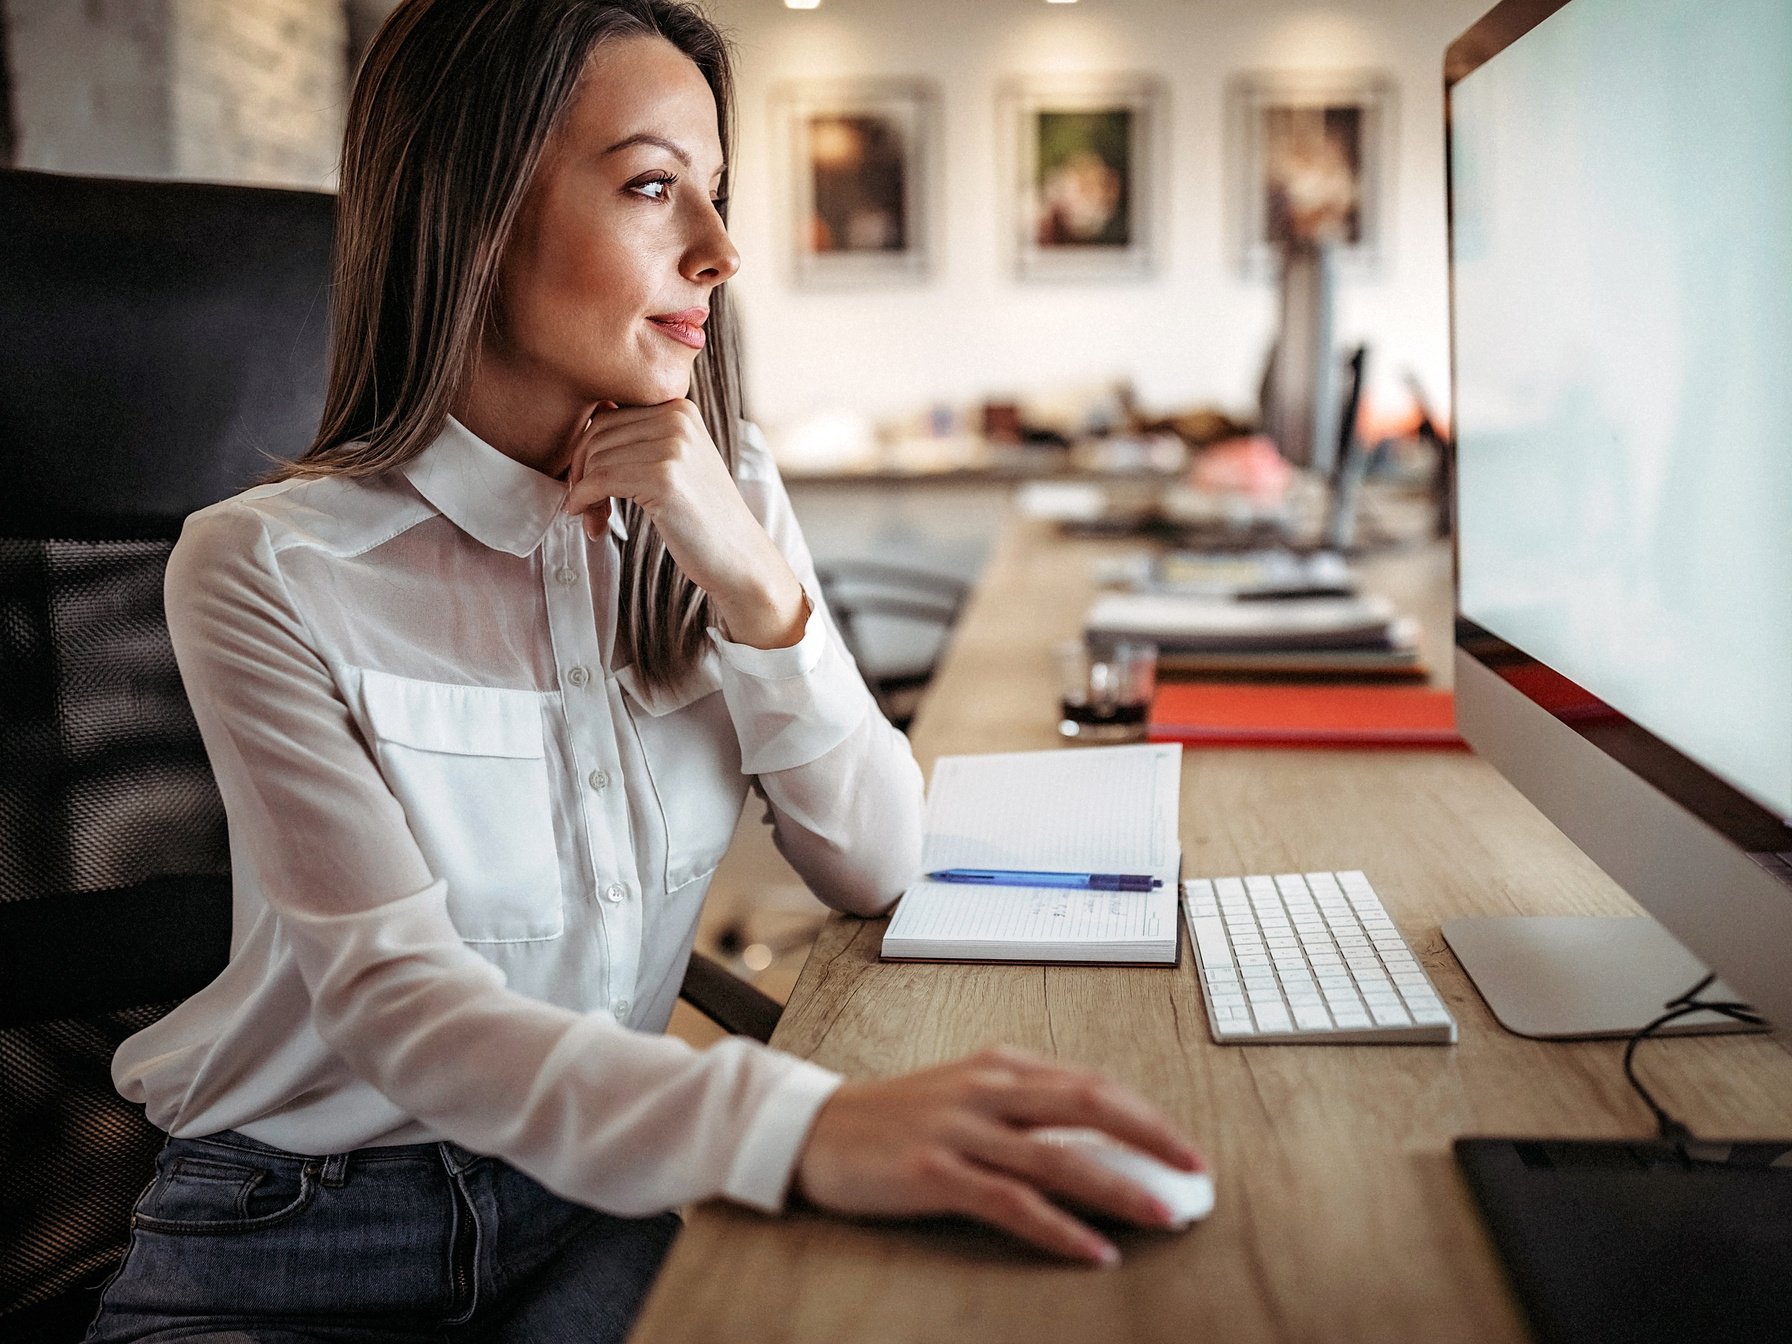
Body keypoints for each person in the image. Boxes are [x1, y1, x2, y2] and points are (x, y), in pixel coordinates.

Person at [85, 2, 1207, 1339]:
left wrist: (752, 581)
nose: (722, 253)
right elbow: (403, 1010)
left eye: (717, 196)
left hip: (592, 1202)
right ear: (477, 212)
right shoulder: (264, 570)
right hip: (299, 1236)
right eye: (655, 188)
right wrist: (800, 1126)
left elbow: (882, 861)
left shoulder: (723, 500)